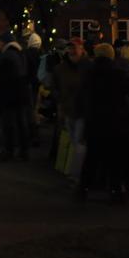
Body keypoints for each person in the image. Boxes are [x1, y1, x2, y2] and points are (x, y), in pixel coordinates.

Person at [77, 43, 129, 202]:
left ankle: (83, 188)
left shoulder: (89, 73)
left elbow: (81, 96)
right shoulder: (119, 73)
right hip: (115, 120)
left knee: (91, 157)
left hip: (94, 120)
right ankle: (115, 190)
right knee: (115, 157)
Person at [49, 37, 89, 177]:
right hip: (68, 110)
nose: (71, 51)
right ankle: (75, 172)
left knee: (79, 142)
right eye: (69, 48)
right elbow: (54, 86)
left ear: (81, 49)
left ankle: (77, 175)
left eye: (74, 48)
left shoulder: (88, 67)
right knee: (73, 141)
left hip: (82, 111)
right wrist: (60, 101)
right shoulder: (60, 68)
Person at [0, 32, 29, 161]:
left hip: (10, 95)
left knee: (8, 123)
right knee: (21, 122)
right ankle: (23, 150)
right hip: (21, 94)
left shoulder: (6, 55)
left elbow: (3, 77)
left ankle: (9, 150)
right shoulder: (19, 53)